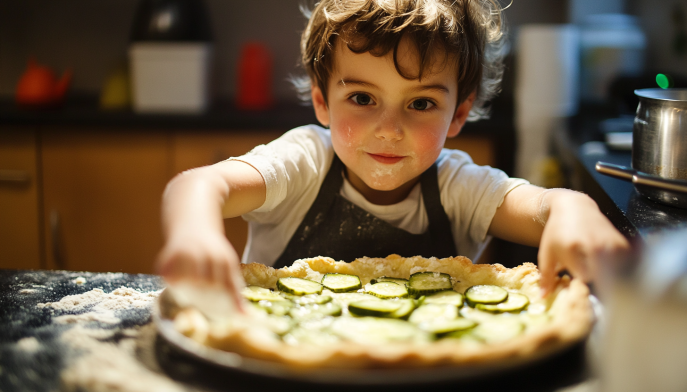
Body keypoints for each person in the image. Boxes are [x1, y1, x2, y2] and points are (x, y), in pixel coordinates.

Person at [156, 0, 629, 309]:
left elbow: (544, 208)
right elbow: (198, 186)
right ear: (322, 102)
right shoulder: (302, 163)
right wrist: (195, 231)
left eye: (421, 104)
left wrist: (575, 207)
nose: (389, 130)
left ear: (458, 115)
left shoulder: (457, 187)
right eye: (362, 98)